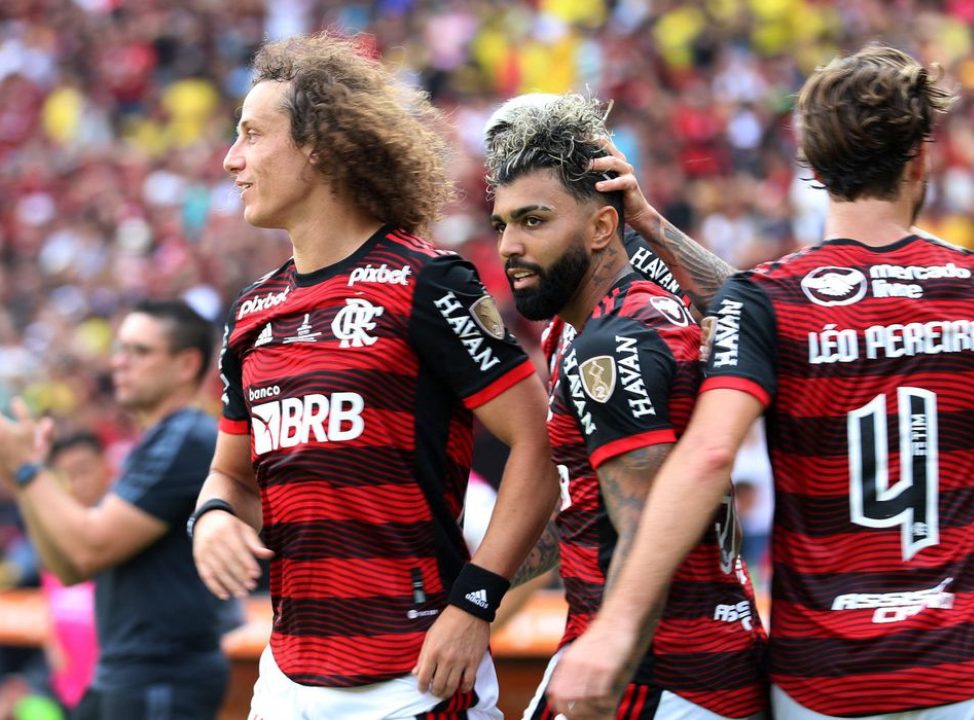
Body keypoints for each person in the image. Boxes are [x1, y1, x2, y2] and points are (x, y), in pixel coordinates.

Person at [548, 44, 974, 720]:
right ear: (920, 161)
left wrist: (615, 628)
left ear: (813, 169)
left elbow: (708, 454)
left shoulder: (767, 301)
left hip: (826, 685)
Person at [189, 33, 559, 719]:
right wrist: (210, 516)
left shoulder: (426, 282)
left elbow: (539, 440)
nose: (231, 158)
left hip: (410, 681)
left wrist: (476, 602)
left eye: (252, 135)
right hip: (285, 678)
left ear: (319, 147)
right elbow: (230, 476)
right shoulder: (251, 312)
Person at [487, 93, 768, 720]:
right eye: (502, 224)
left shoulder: (614, 341)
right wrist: (475, 601)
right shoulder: (601, 320)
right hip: (684, 659)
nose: (508, 245)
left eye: (533, 221)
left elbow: (644, 525)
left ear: (600, 228)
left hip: (654, 674)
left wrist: (610, 646)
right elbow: (586, 513)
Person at [0, 299, 232, 720]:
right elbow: (70, 568)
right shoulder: (158, 441)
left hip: (161, 676)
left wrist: (28, 470)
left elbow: (88, 548)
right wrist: (25, 476)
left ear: (187, 365)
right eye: (120, 349)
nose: (119, 363)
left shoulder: (186, 438)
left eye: (139, 352)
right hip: (123, 671)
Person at [41, 433, 111, 713]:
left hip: (113, 687)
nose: (77, 482)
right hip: (70, 690)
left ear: (105, 465)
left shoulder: (121, 532)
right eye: (66, 475)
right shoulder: (55, 538)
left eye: (83, 470)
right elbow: (53, 608)